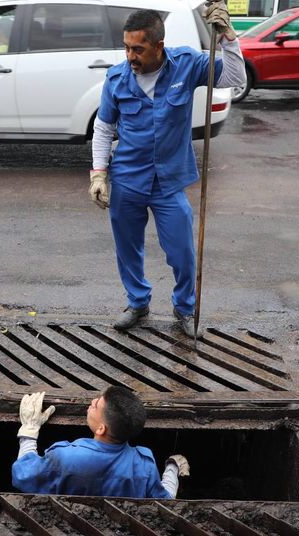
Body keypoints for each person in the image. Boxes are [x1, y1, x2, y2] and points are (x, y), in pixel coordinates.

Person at [88, 7, 245, 337]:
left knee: (181, 251)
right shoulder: (116, 78)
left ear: (158, 46)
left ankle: (185, 308)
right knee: (128, 249)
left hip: (169, 181)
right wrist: (98, 173)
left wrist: (227, 36)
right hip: (128, 179)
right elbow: (103, 128)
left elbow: (234, 78)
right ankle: (137, 302)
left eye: (138, 49)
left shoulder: (187, 65)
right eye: (126, 48)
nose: (130, 56)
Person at [11, 388, 190, 497]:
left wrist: (29, 430)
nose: (92, 401)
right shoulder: (144, 465)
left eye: (96, 405)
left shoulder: (65, 457)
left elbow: (23, 475)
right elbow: (164, 500)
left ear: (101, 429)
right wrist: (172, 467)